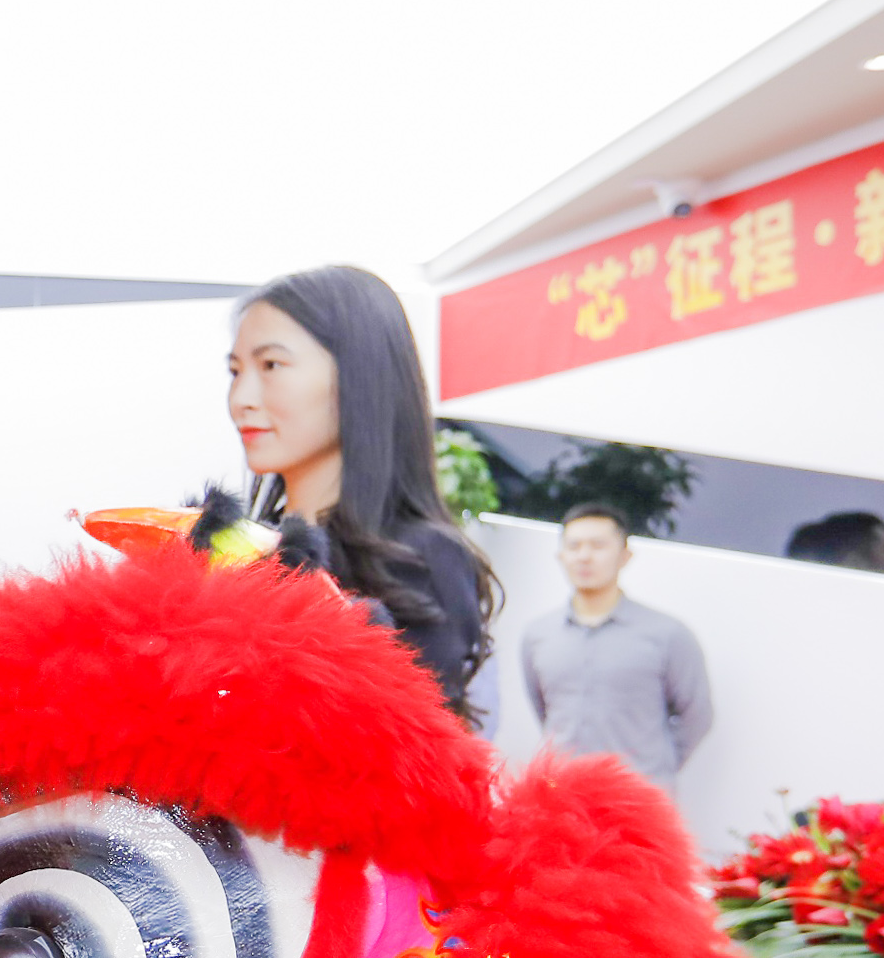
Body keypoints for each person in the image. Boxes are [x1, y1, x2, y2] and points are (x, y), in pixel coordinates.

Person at [226, 265, 499, 718]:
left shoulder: (421, 560)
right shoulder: (240, 548)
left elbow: (416, 745)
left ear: (359, 375)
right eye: (235, 371)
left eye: (271, 365)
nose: (240, 398)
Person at [515, 502, 714, 793]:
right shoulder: (538, 635)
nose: (584, 556)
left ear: (625, 556)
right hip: (560, 796)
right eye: (574, 546)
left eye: (598, 545)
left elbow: (697, 715)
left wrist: (655, 768)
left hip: (638, 797)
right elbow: (543, 709)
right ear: (561, 556)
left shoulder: (667, 634)